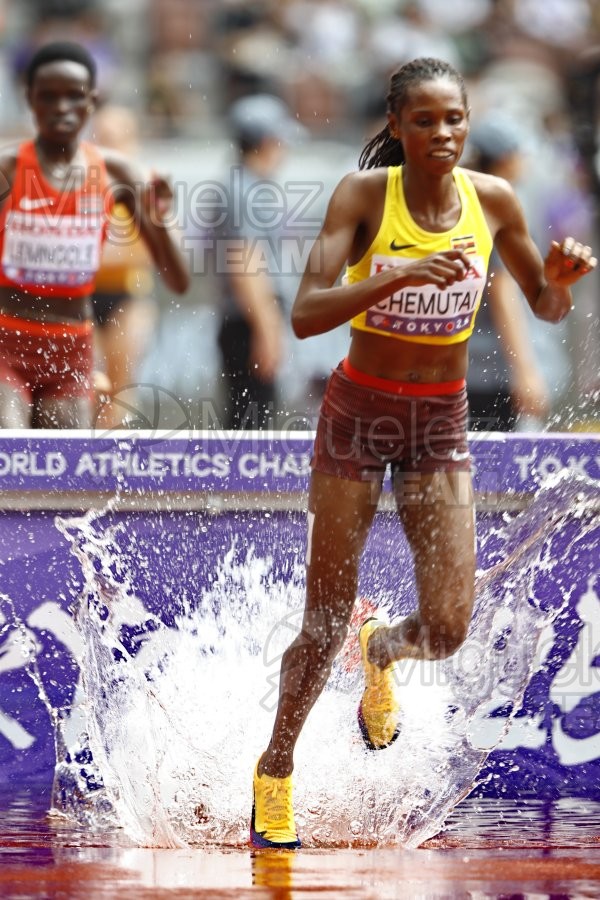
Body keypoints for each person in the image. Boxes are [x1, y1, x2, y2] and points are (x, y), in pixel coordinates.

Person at [249, 56, 596, 849]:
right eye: (425, 121)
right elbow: (305, 314)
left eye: (454, 120)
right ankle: (275, 770)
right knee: (325, 616)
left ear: (467, 125)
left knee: (446, 627)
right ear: (397, 126)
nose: (442, 134)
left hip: (440, 422)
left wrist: (563, 280)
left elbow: (544, 305)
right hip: (360, 416)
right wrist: (395, 274)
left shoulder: (495, 200)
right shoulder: (363, 196)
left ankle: (383, 652)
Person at [0, 41, 189, 429]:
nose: (61, 108)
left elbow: (178, 280)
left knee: (62, 481)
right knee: (11, 451)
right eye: (48, 96)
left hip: (71, 351)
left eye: (74, 96)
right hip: (7, 342)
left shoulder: (120, 175)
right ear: (30, 99)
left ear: (92, 101)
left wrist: (159, 219)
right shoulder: (7, 169)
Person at [216, 94, 301, 430]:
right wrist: (267, 330)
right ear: (268, 142)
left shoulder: (245, 186)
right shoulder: (245, 190)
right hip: (248, 319)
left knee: (251, 416)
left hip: (248, 317)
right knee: (251, 424)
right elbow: (245, 261)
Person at [466, 117, 550, 431]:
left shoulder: (462, 200)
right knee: (495, 472)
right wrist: (525, 370)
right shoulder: (499, 205)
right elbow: (502, 289)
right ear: (506, 159)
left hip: (461, 363)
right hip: (493, 368)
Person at [90, 104, 158, 429]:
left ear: (132, 142)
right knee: (87, 383)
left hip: (127, 295)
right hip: (84, 295)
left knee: (120, 385)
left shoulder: (146, 186)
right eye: (101, 137)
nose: (106, 146)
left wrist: (96, 257)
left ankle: (115, 455)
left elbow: (158, 249)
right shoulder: (83, 184)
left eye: (114, 139)